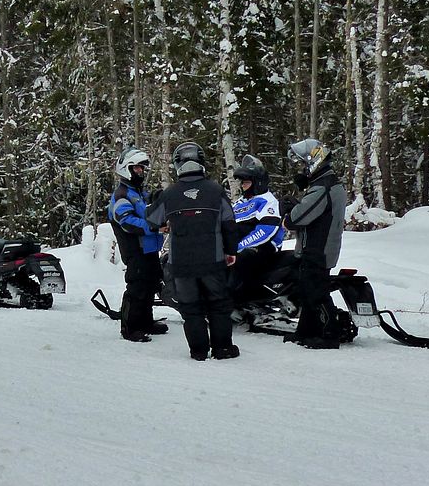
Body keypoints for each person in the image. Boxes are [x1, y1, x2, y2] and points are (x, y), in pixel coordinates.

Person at [147, 142, 239, 360]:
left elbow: (152, 219)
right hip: (213, 260)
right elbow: (229, 223)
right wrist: (231, 250)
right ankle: (222, 348)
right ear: (201, 162)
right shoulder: (216, 190)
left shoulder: (169, 194)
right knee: (218, 305)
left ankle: (198, 351)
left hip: (182, 264)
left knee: (190, 308)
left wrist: (155, 200)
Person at [283, 138, 348, 348]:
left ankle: (329, 334)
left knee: (316, 292)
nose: (301, 170)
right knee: (307, 290)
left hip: (318, 248)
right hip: (318, 246)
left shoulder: (323, 187)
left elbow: (298, 218)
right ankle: (305, 332)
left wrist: (289, 209)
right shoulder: (326, 184)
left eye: (303, 165)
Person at [107, 147, 167, 342]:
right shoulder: (122, 194)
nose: (141, 172)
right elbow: (126, 221)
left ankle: (146, 321)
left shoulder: (138, 192)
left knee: (151, 284)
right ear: (127, 169)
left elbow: (148, 207)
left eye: (142, 169)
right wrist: (154, 227)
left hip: (149, 248)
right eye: (137, 169)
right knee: (137, 286)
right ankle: (130, 327)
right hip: (135, 248)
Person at [229, 153, 285, 294]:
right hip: (240, 246)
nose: (243, 186)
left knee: (237, 260)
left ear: (257, 182)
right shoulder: (240, 203)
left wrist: (239, 246)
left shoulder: (267, 200)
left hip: (262, 247)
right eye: (242, 183)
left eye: (246, 182)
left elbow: (266, 230)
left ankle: (227, 300)